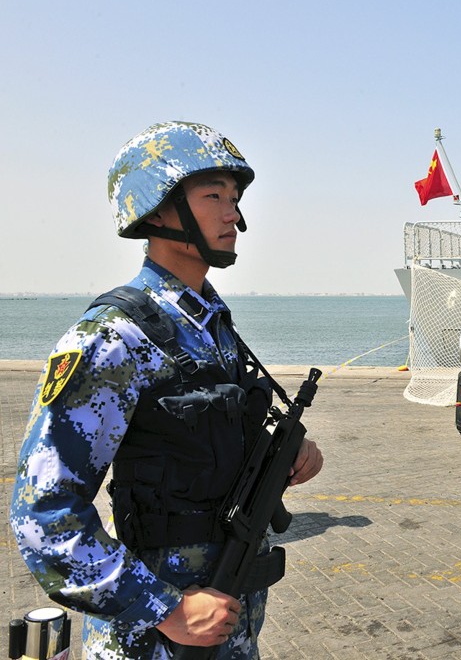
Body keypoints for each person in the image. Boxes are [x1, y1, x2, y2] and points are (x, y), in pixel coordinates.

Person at [8, 121, 324, 659]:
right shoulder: (112, 339)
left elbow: (207, 441)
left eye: (235, 198)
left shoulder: (210, 325)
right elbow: (43, 517)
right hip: (153, 642)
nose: (234, 216)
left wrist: (287, 453)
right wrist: (165, 609)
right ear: (157, 211)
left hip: (229, 630)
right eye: (212, 196)